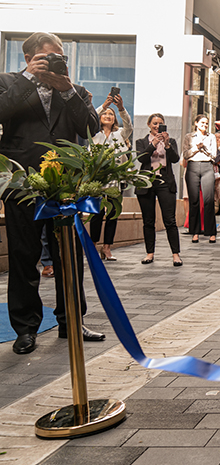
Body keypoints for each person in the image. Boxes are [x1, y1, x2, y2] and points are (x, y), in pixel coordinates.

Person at [0, 31, 104, 354]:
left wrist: (68, 90)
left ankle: (71, 321)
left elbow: (91, 128)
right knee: (22, 256)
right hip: (23, 185)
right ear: (29, 57)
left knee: (69, 257)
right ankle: (26, 328)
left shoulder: (76, 91)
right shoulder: (7, 83)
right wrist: (29, 77)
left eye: (61, 57)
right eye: (48, 57)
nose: (57, 62)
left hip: (65, 189)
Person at [90, 91, 133, 261]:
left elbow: (129, 125)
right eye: (105, 114)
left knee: (113, 213)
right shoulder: (94, 134)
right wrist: (105, 105)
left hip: (116, 179)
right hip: (98, 178)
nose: (108, 115)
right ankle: (93, 245)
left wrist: (120, 108)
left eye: (111, 114)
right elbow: (90, 118)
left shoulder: (120, 134)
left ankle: (107, 247)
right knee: (97, 213)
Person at [135, 114, 183, 267]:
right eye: (154, 123)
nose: (157, 126)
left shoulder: (171, 141)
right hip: (146, 181)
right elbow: (141, 159)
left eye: (160, 124)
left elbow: (175, 159)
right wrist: (153, 144)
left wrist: (167, 145)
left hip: (165, 181)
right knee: (148, 220)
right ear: (149, 124)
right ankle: (150, 253)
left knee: (170, 220)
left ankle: (176, 254)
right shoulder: (141, 142)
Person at [182, 114, 217, 244]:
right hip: (193, 167)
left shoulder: (211, 137)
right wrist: (196, 147)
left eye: (207, 123)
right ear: (196, 123)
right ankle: (195, 232)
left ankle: (211, 232)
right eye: (202, 123)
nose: (205, 125)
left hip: (207, 166)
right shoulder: (188, 137)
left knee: (208, 200)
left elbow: (214, 155)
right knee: (194, 201)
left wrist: (205, 148)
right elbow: (185, 155)